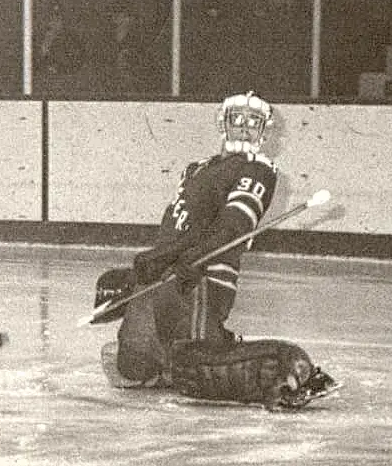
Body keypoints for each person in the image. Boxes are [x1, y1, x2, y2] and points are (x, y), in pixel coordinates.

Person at [98, 92, 339, 409]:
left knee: (194, 364)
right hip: (166, 276)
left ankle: (285, 370)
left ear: (264, 133)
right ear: (222, 124)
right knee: (129, 367)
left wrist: (184, 258)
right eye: (236, 120)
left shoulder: (258, 170)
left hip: (201, 278)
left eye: (253, 123)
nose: (243, 128)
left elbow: (231, 227)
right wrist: (147, 267)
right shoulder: (195, 169)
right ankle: (196, 350)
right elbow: (177, 226)